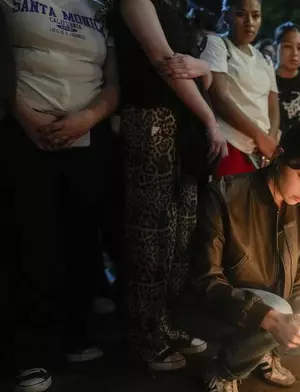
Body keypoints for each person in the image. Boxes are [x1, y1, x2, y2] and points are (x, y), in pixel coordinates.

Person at [180, 120, 300, 392]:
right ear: (279, 156)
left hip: (282, 301)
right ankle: (223, 370)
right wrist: (268, 317)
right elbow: (205, 281)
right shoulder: (224, 195)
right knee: (280, 310)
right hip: (221, 306)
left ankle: (265, 351)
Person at [2, 0, 119, 388]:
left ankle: (74, 335)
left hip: (87, 136)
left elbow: (114, 80)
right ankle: (29, 354)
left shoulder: (96, 7)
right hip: (25, 135)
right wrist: (26, 117)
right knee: (32, 241)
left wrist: (87, 118)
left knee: (82, 238)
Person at [112, 0, 227, 370]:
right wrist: (209, 118)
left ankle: (168, 323)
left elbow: (200, 75)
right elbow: (163, 61)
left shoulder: (175, 10)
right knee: (152, 234)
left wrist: (203, 66)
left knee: (181, 235)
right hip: (152, 124)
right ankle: (146, 334)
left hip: (183, 133)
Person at [200, 0, 280, 177]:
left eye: (256, 15)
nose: (249, 22)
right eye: (241, 14)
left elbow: (273, 104)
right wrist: (260, 137)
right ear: (226, 15)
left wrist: (271, 139)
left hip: (262, 153)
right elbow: (220, 98)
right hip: (230, 145)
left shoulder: (264, 60)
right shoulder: (217, 45)